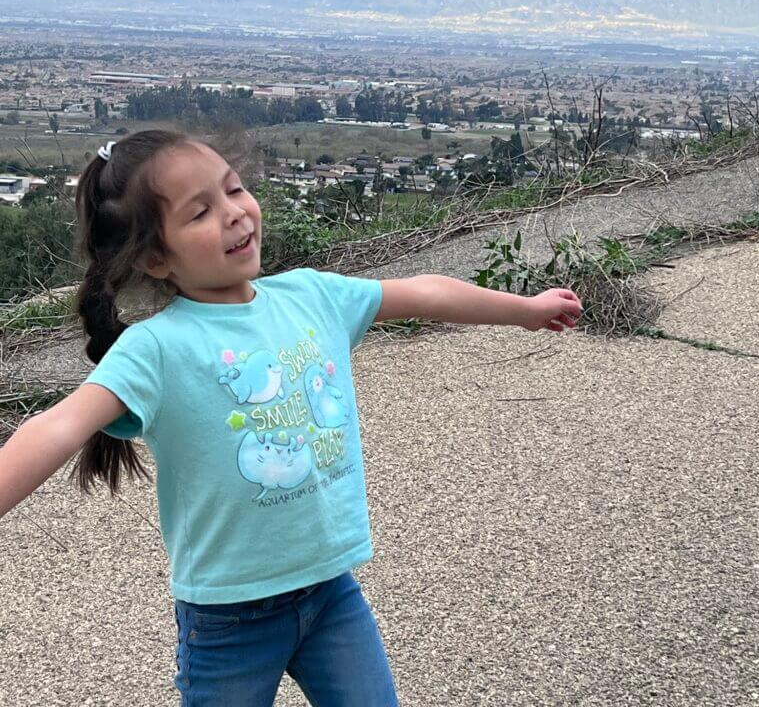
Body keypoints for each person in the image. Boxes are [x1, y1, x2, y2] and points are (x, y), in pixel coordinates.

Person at [0, 128, 582, 706]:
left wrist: (524, 310)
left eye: (234, 190)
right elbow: (58, 425)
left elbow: (423, 292)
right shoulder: (155, 349)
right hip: (230, 617)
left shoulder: (310, 296)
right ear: (155, 257)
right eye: (200, 211)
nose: (234, 214)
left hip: (331, 591)